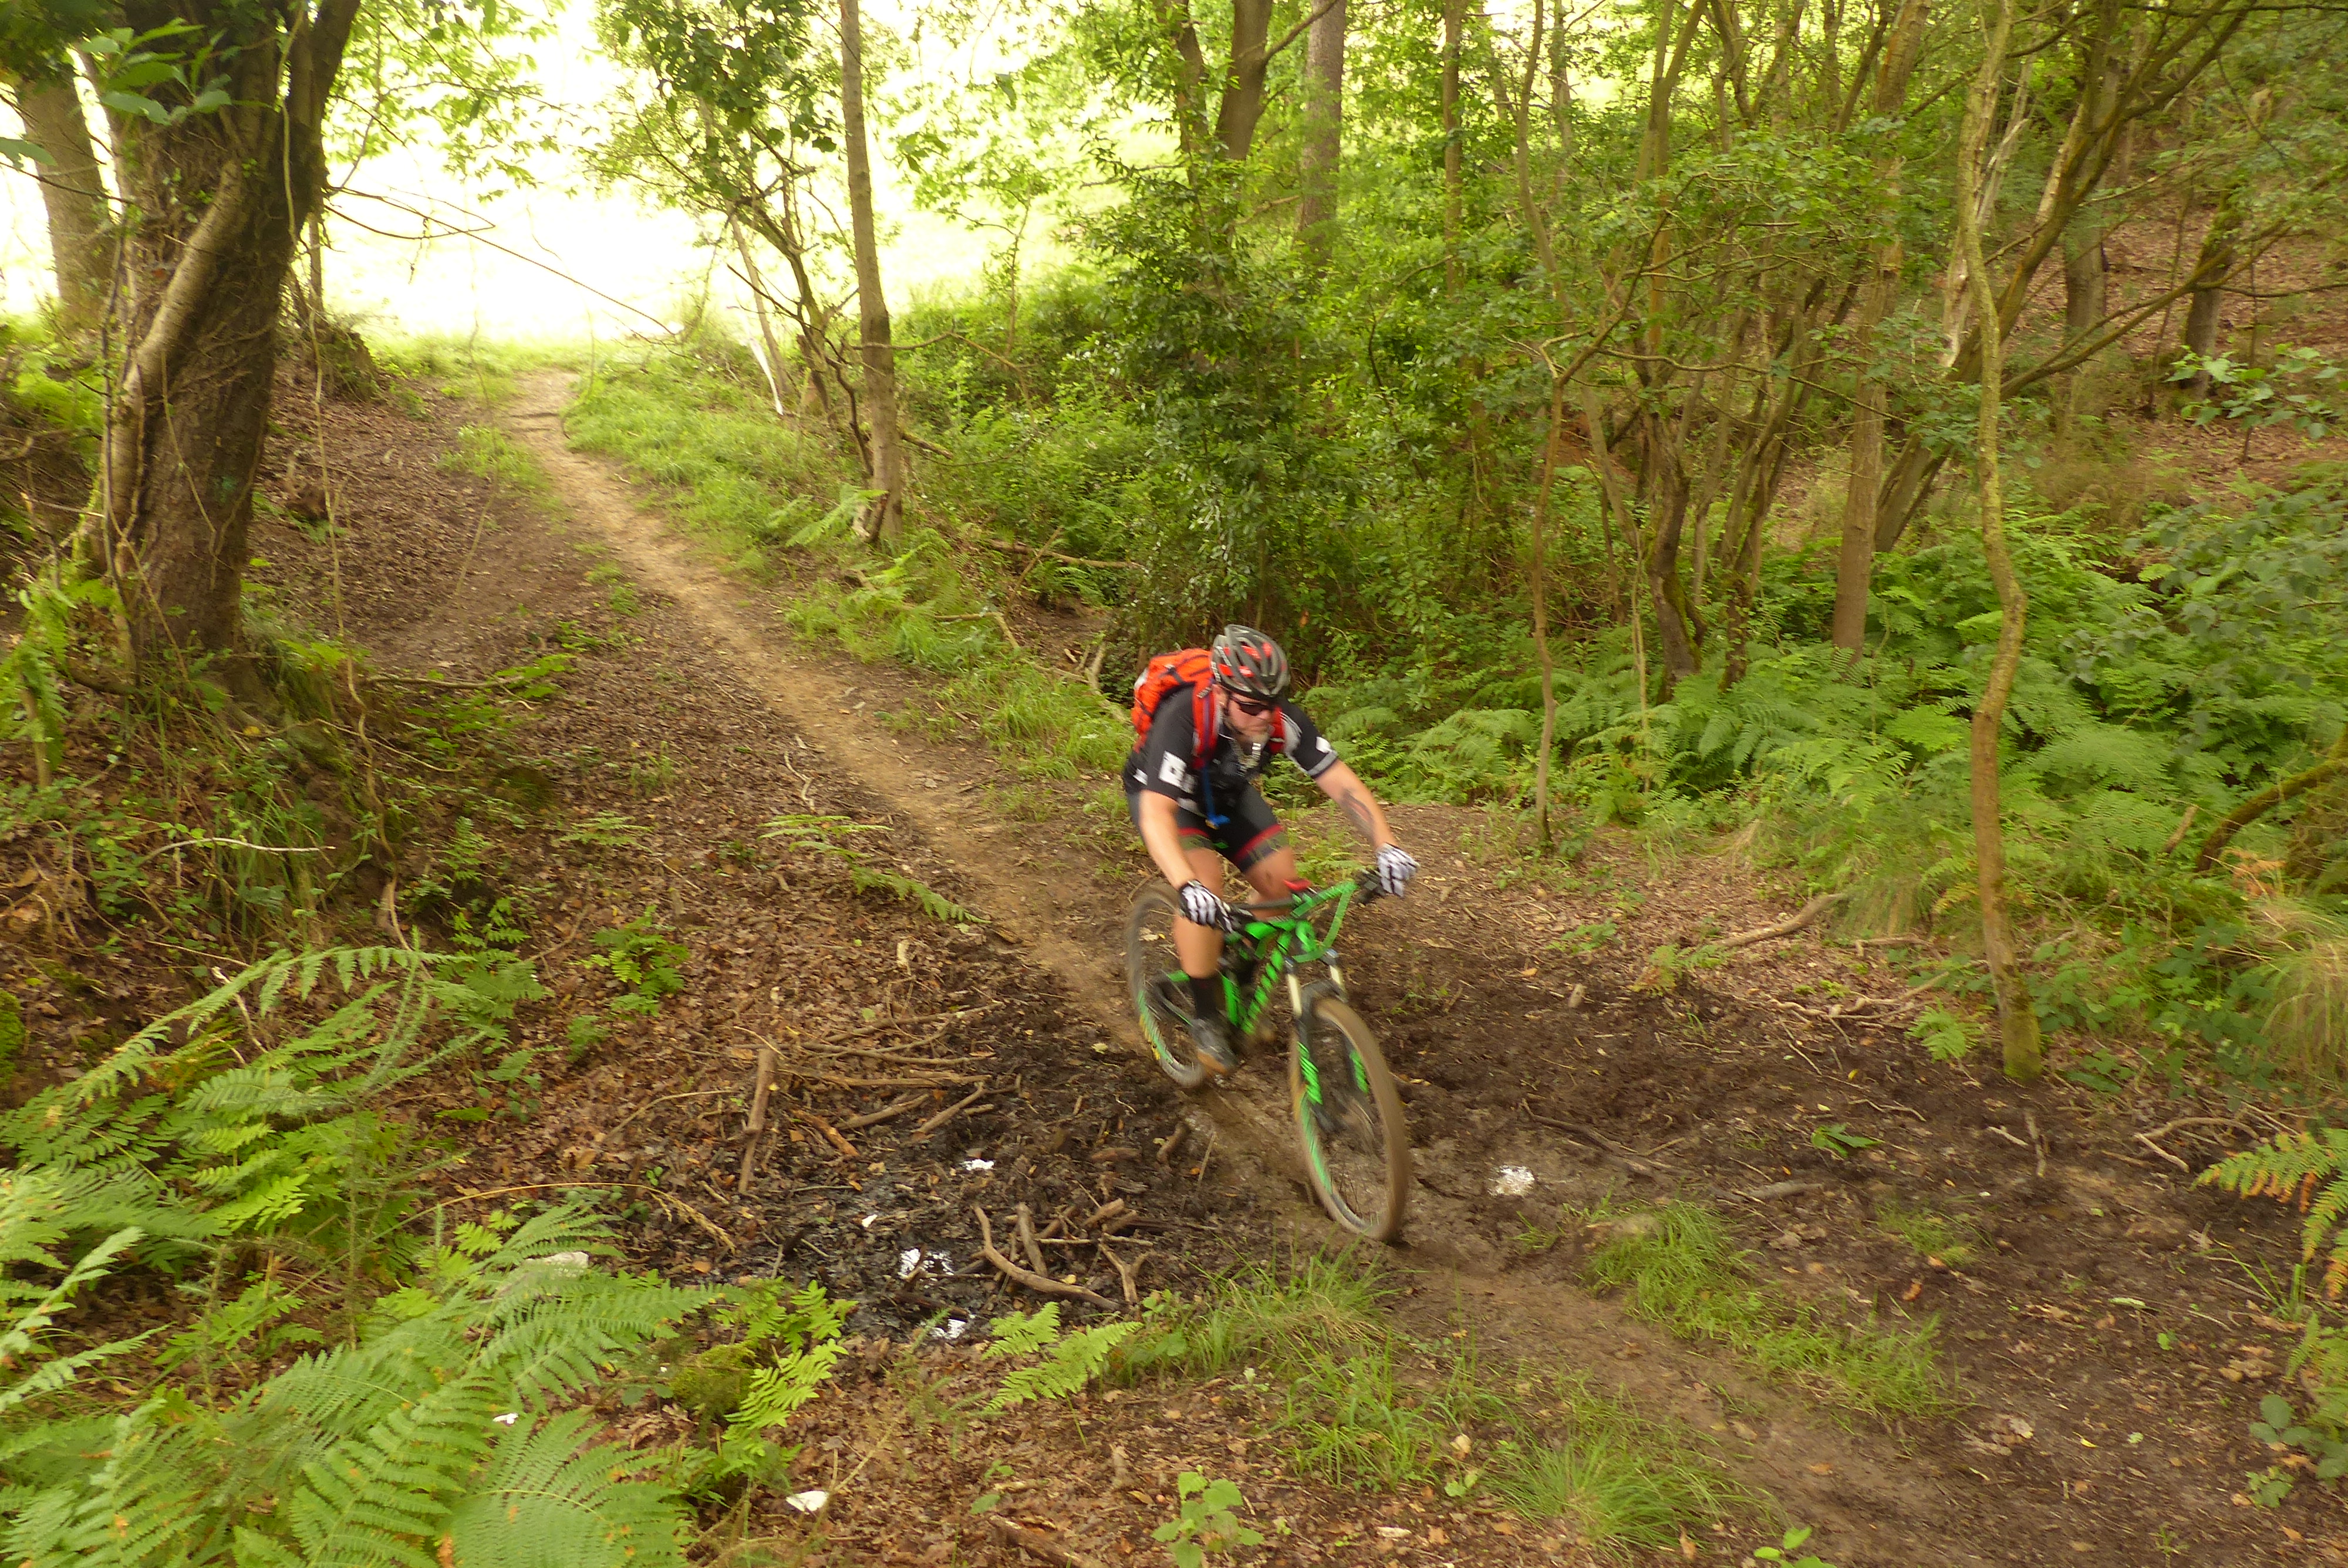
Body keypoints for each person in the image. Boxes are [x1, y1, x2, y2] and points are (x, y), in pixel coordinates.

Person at [1124, 624, 1416, 1074]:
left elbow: (1341, 784)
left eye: (1272, 703)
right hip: (1168, 801)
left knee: (1282, 885)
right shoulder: (1184, 716)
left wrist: (1387, 845)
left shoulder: (1280, 719)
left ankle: (1239, 970)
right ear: (1221, 693)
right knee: (1206, 887)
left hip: (1225, 794)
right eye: (1251, 706)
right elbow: (1156, 814)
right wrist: (1186, 886)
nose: (1265, 715)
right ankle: (1206, 1017)